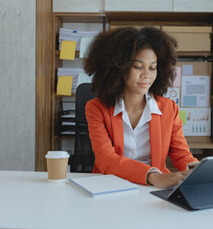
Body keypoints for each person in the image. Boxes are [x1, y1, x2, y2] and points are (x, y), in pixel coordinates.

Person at [84, 27, 198, 189]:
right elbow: (105, 159)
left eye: (152, 68)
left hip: (152, 188)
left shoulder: (168, 108)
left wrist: (198, 171)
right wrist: (152, 175)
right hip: (110, 186)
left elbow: (181, 154)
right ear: (119, 68)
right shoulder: (96, 108)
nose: (147, 75)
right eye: (138, 67)